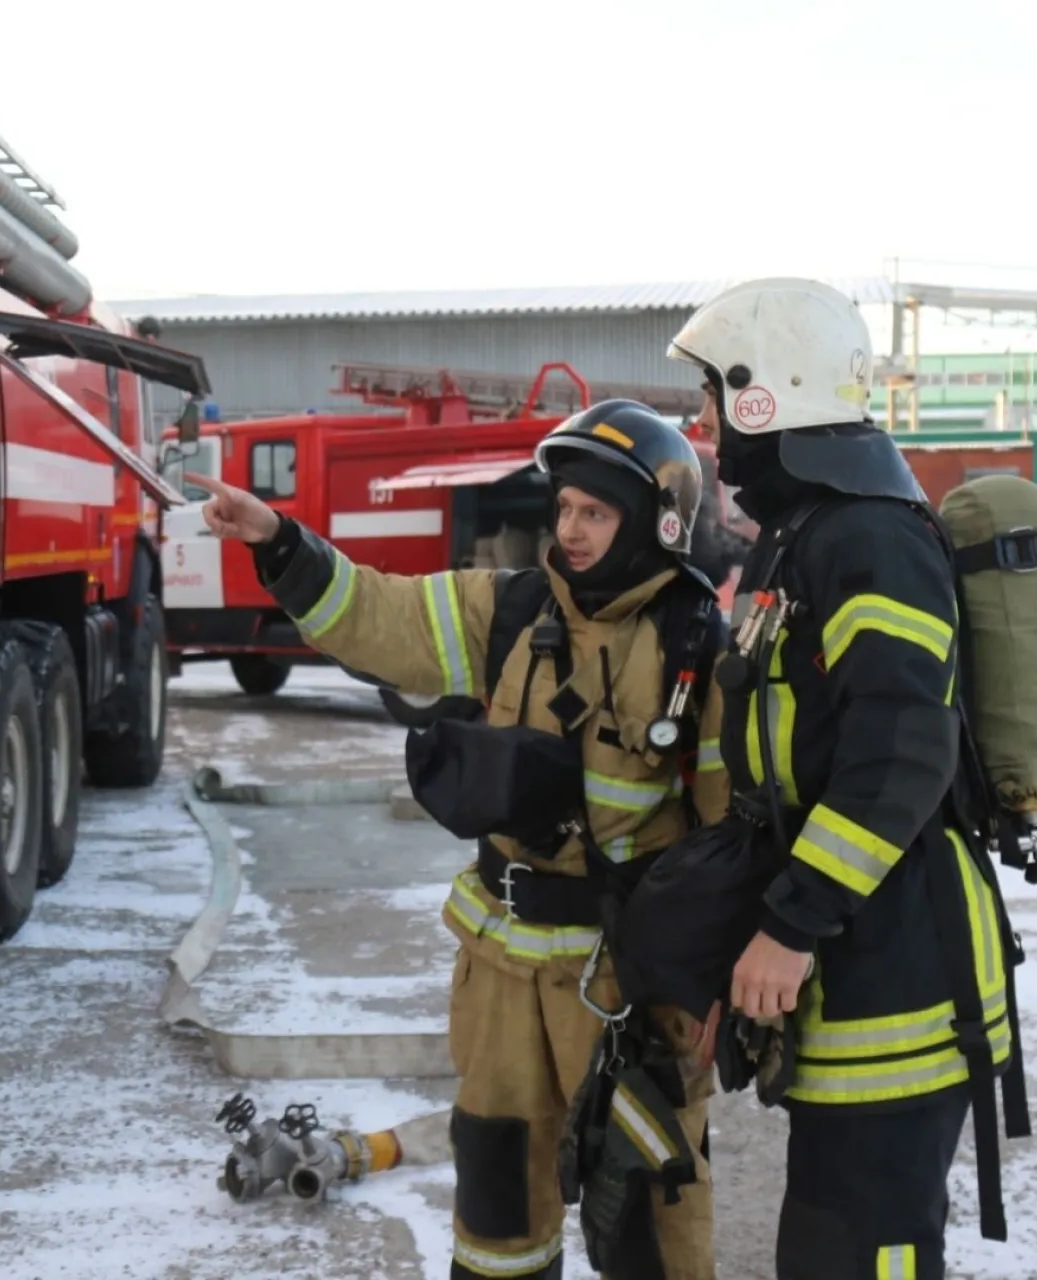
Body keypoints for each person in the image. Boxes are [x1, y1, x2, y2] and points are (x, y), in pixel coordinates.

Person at [190, 402, 730, 1280]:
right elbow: (383, 615)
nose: (572, 529)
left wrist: (710, 987)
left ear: (657, 524)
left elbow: (727, 832)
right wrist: (279, 542)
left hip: (631, 988)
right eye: (564, 509)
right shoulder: (510, 610)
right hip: (505, 982)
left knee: (653, 1216)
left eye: (596, 512)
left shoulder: (697, 649)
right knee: (497, 1210)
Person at [665, 278, 1014, 1280]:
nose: (702, 423)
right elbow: (789, 769)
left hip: (901, 969)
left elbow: (899, 755)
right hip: (850, 955)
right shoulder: (806, 533)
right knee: (827, 1246)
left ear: (763, 393)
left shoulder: (869, 539)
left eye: (712, 398)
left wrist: (790, 924)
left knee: (869, 1250)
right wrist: (753, 938)